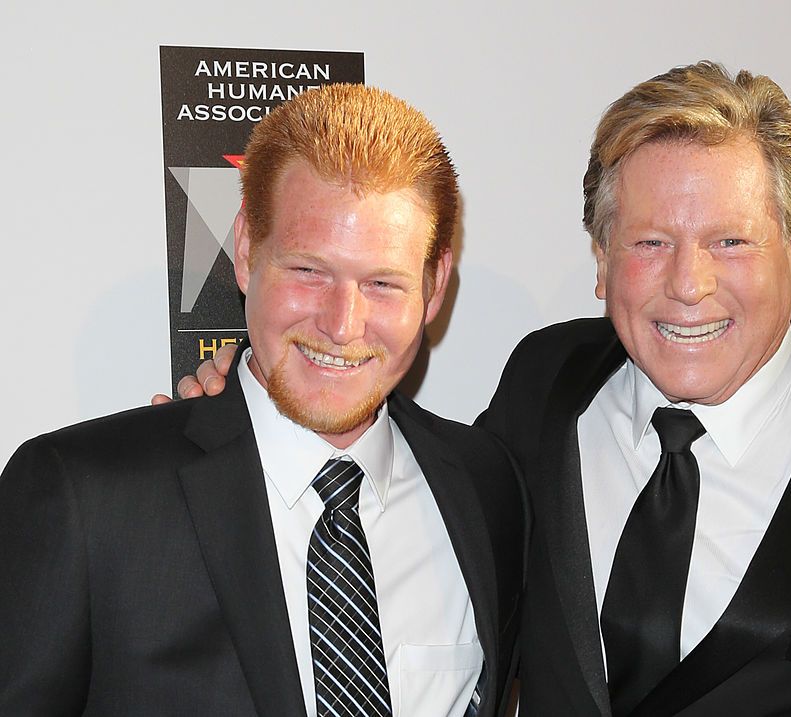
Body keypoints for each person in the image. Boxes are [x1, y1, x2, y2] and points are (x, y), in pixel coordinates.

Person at [176, 62, 791, 715]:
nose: (688, 285)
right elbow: (400, 492)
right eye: (650, 241)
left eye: (731, 240)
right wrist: (259, 406)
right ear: (600, 258)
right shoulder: (540, 392)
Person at [0, 84, 526, 717]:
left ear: (435, 286)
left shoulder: (488, 487)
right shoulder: (86, 497)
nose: (343, 323)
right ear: (246, 251)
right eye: (309, 271)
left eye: (383, 283)